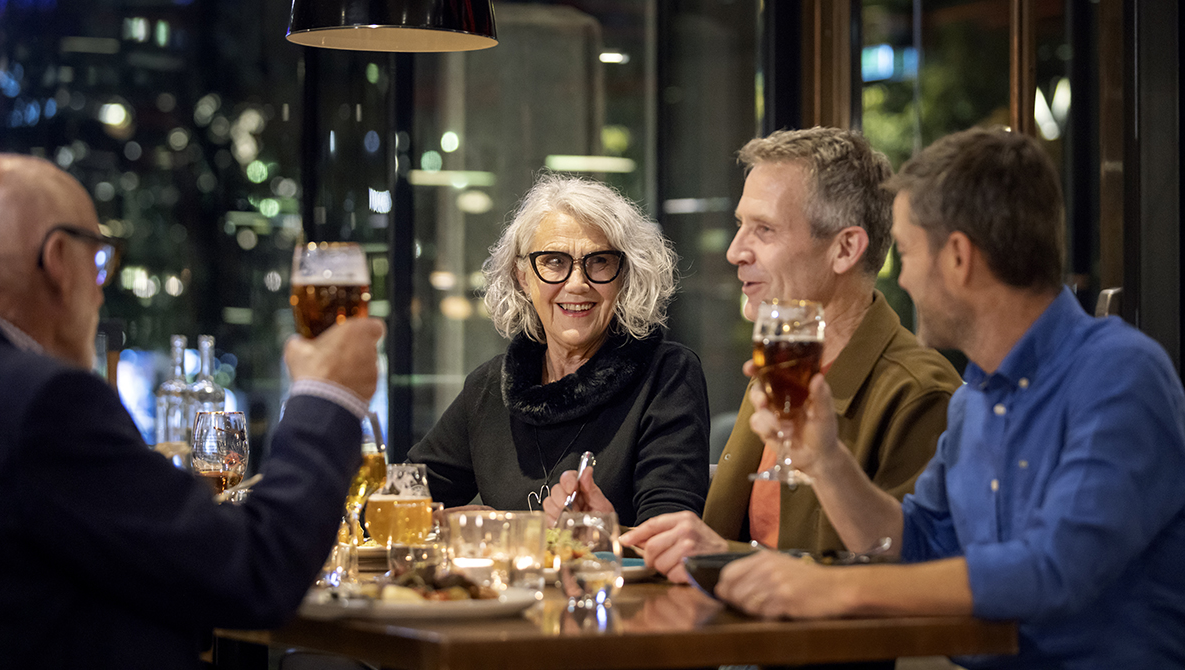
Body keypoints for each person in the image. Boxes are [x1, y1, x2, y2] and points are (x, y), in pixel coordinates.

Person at [718, 127, 1185, 668]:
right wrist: (825, 459)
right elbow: (913, 544)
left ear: (958, 258)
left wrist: (833, 589)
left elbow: (1056, 570)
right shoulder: (975, 400)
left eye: (909, 252)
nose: (904, 279)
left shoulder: (1118, 372)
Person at [0, 153, 385, 669]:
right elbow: (253, 572)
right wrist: (328, 395)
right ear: (60, 260)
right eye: (100, 258)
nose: (101, 288)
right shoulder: (46, 403)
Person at [619, 127, 960, 582]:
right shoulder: (781, 367)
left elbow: (907, 582)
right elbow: (735, 530)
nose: (735, 250)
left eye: (764, 229)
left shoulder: (919, 393)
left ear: (845, 249)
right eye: (741, 225)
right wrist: (615, 516)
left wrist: (725, 559)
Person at [408, 173, 710, 528]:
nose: (578, 283)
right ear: (523, 276)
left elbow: (671, 533)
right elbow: (395, 502)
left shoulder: (667, 374)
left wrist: (601, 534)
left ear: (625, 276)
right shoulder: (489, 387)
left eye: (600, 261)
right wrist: (437, 523)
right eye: (554, 261)